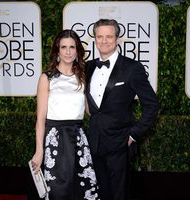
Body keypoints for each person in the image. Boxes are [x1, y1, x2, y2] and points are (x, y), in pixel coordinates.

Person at [86, 19, 160, 200]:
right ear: (95, 39)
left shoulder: (132, 68)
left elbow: (152, 104)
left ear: (117, 39)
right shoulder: (87, 67)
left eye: (109, 36)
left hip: (120, 144)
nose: (104, 41)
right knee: (101, 194)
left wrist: (134, 134)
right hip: (94, 143)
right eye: (100, 36)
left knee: (121, 195)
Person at [31, 29, 99, 200]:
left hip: (78, 138)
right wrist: (39, 151)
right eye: (63, 47)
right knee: (57, 192)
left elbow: (90, 111)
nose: (68, 51)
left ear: (77, 51)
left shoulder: (83, 77)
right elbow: (40, 120)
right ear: (57, 51)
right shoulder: (47, 78)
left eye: (72, 47)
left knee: (82, 191)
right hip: (55, 140)